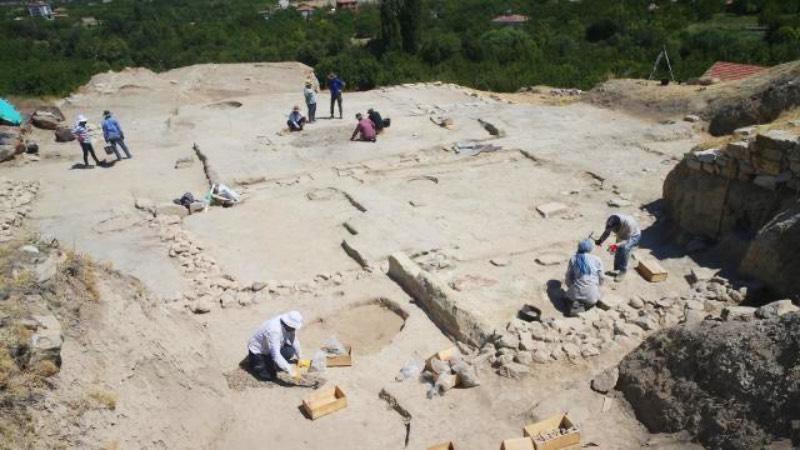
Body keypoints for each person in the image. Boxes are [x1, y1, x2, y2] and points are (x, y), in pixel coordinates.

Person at [247, 311, 304, 381]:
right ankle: (255, 363)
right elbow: (276, 355)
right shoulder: (274, 330)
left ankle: (273, 363)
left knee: (290, 351)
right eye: (293, 328)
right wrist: (291, 371)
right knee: (269, 376)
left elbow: (294, 340)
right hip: (259, 351)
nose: (294, 330)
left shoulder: (286, 324)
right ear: (288, 324)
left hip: (271, 347)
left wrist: (300, 358)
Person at [595, 213, 641, 281]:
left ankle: (623, 271)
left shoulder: (629, 224)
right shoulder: (611, 219)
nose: (612, 231)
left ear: (617, 226)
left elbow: (626, 240)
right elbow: (607, 232)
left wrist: (616, 245)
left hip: (633, 236)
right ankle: (616, 269)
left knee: (624, 249)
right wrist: (600, 240)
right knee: (617, 251)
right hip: (622, 234)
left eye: (613, 229)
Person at [564, 239, 605, 317]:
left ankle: (576, 305)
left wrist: (571, 287)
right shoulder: (597, 259)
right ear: (590, 249)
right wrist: (598, 286)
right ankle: (584, 307)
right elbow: (602, 277)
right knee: (592, 297)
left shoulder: (574, 258)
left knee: (566, 297)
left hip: (575, 294)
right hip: (592, 297)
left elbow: (568, 278)